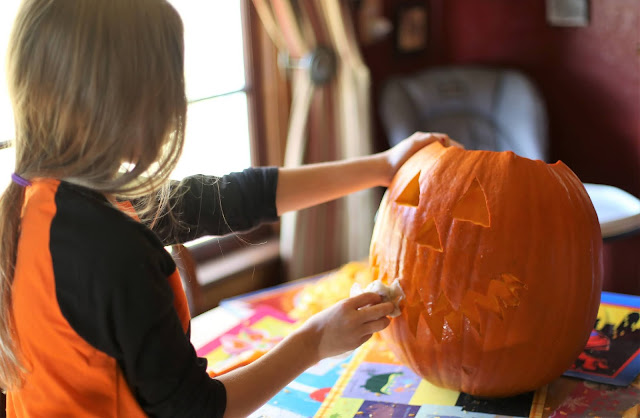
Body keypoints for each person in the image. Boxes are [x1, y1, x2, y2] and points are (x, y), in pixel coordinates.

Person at [0, 1, 453, 417]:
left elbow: (233, 198)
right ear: (124, 101)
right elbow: (199, 411)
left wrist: (380, 167)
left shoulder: (47, 201)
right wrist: (315, 341)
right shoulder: (112, 251)